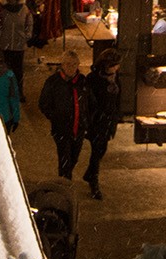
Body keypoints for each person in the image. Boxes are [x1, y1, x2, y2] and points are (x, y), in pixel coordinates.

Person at [37, 49, 88, 181]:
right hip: (61, 129)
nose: (71, 67)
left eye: (74, 64)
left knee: (74, 157)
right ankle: (65, 183)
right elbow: (43, 103)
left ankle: (65, 179)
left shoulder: (82, 81)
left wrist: (86, 119)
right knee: (65, 159)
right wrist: (55, 117)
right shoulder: (53, 82)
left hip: (79, 127)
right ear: (62, 65)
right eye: (67, 64)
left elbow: (89, 102)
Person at [83, 48, 123, 199]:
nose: (117, 68)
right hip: (97, 121)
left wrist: (116, 116)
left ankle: (90, 174)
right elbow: (89, 101)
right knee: (97, 151)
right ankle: (94, 182)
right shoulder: (93, 79)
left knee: (101, 150)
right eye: (115, 65)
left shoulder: (115, 77)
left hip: (109, 120)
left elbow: (117, 98)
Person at [0, 0, 34, 86]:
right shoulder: (0, 9)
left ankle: (18, 90)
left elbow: (29, 23)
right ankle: (5, 90)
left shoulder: (24, 9)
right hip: (4, 45)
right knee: (4, 70)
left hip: (19, 45)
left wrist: (27, 35)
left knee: (18, 71)